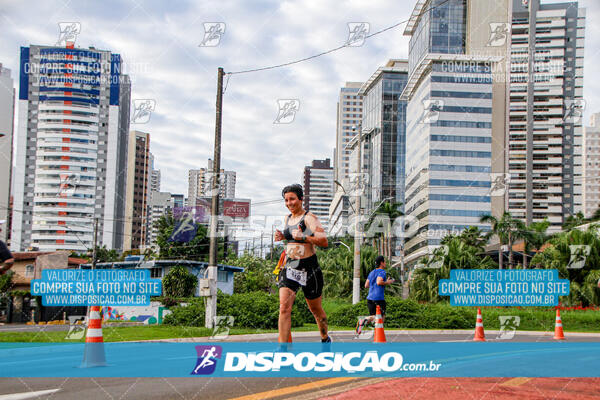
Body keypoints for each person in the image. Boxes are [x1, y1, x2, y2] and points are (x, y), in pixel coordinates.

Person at [274, 184, 331, 343]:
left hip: (309, 268)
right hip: (291, 266)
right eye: (286, 200)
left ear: (300, 199)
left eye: (292, 199)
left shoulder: (309, 218)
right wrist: (282, 236)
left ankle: (325, 337)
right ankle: (284, 351)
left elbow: (324, 241)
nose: (289, 203)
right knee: (284, 309)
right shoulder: (287, 218)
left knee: (316, 311)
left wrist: (303, 237)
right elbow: (292, 236)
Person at [356, 255, 395, 335]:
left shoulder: (372, 272)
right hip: (378, 298)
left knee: (374, 317)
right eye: (385, 262)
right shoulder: (382, 272)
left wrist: (376, 285)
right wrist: (388, 282)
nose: (385, 263)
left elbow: (366, 285)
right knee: (381, 317)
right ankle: (364, 320)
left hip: (370, 298)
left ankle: (367, 325)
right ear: (381, 263)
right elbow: (379, 282)